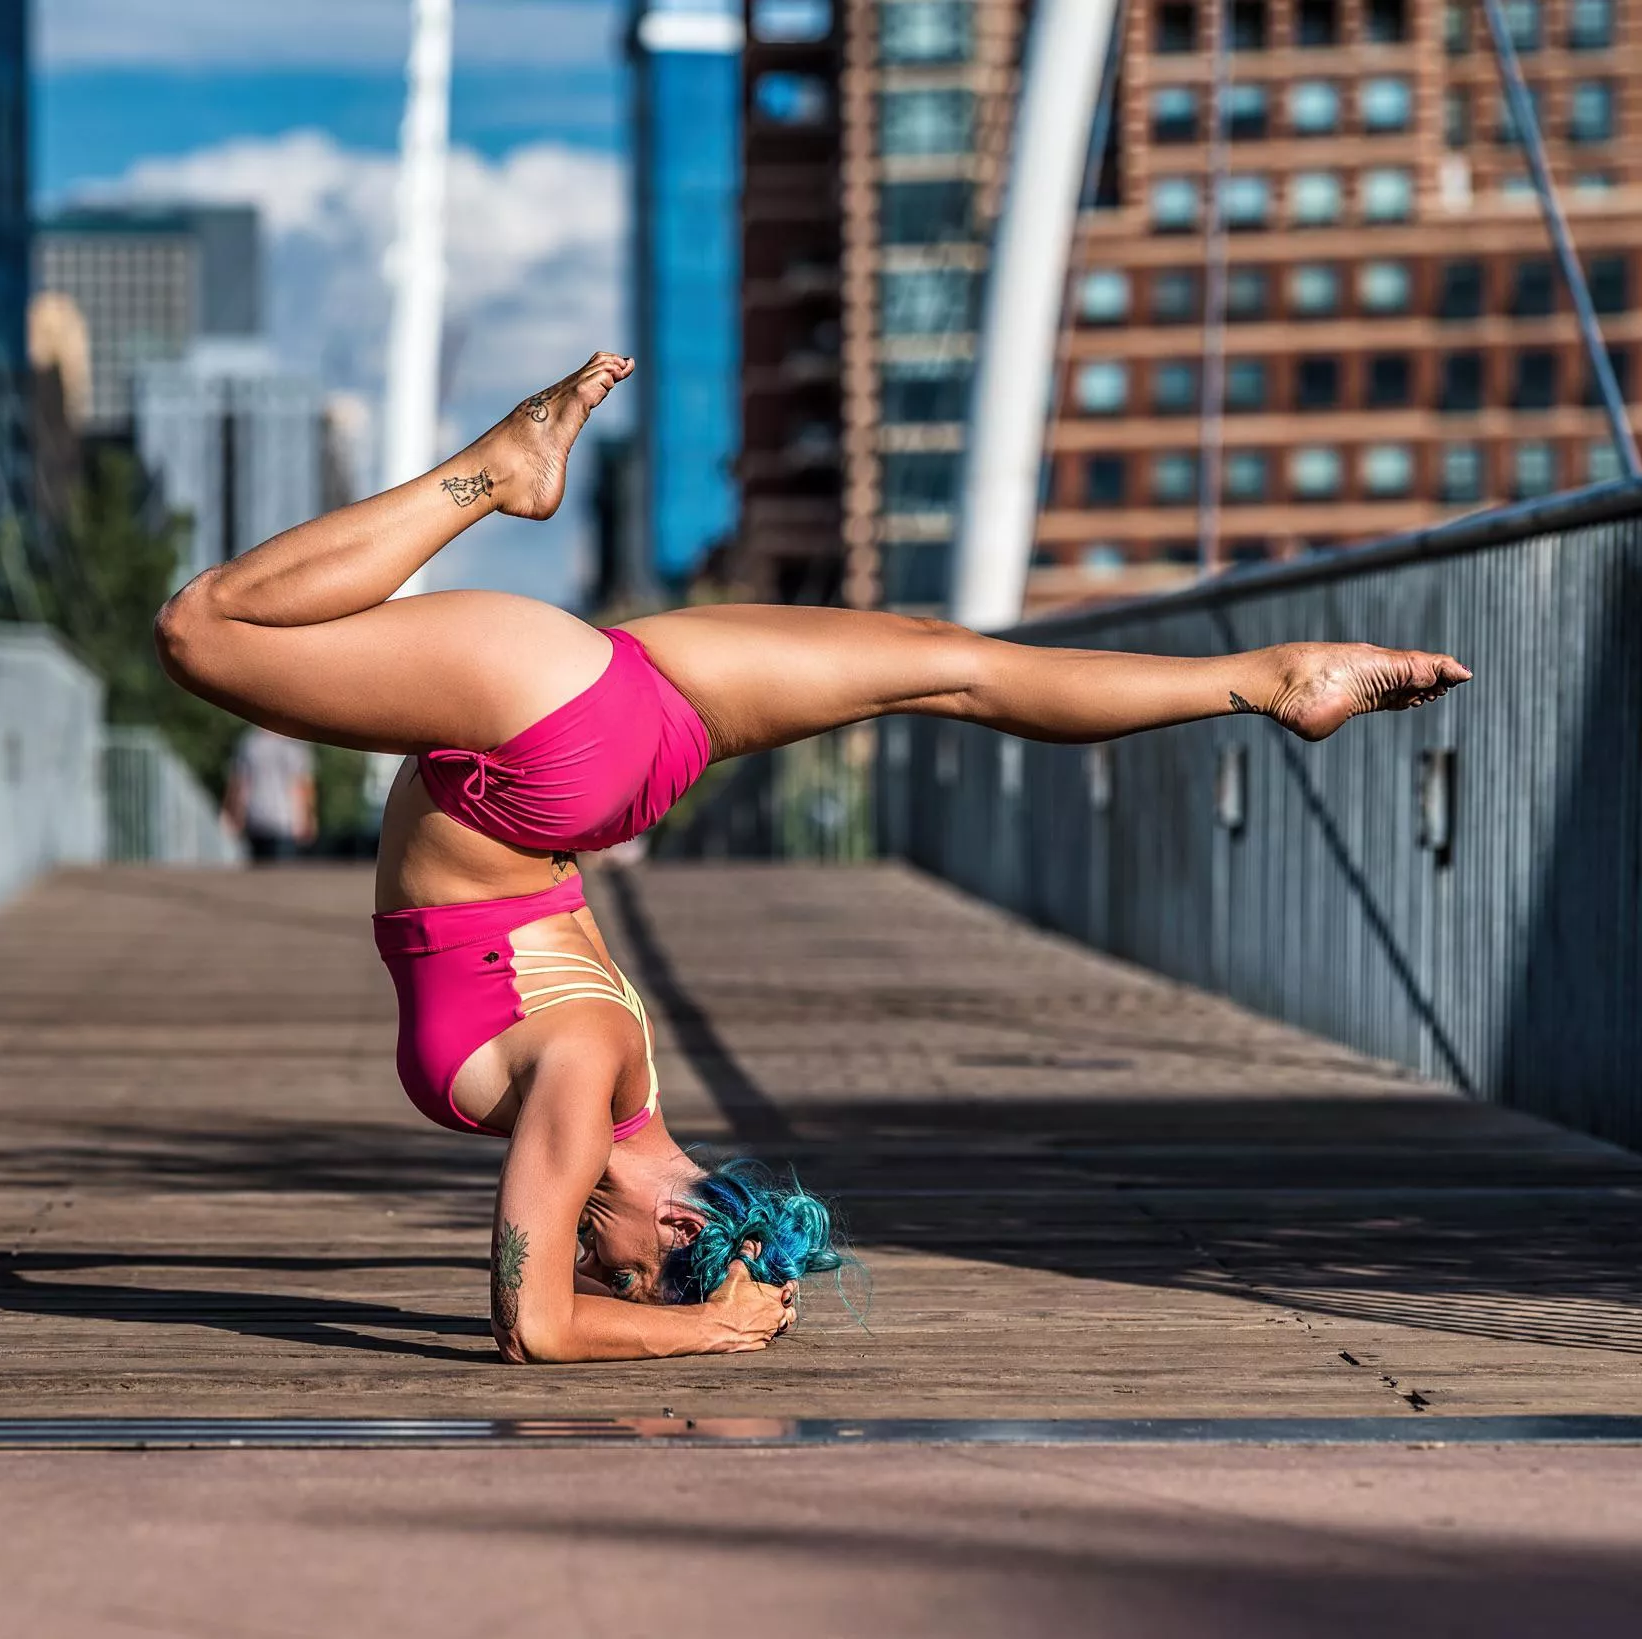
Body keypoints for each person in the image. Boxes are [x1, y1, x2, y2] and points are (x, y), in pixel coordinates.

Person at [155, 352, 1471, 1364]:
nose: (579, 1241)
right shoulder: (582, 1079)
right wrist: (704, 1328)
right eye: (612, 1255)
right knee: (204, 629)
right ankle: (495, 474)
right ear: (667, 1225)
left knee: (957, 666)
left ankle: (1265, 677)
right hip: (543, 747)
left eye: (592, 1256)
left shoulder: (626, 1067)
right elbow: (533, 1322)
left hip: (621, 746)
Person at [224, 725, 318, 863]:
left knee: (258, 876)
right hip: (285, 821)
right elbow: (303, 784)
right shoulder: (295, 744)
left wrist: (235, 815)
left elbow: (240, 784)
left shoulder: (249, 741)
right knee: (283, 877)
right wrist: (309, 818)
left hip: (257, 818)